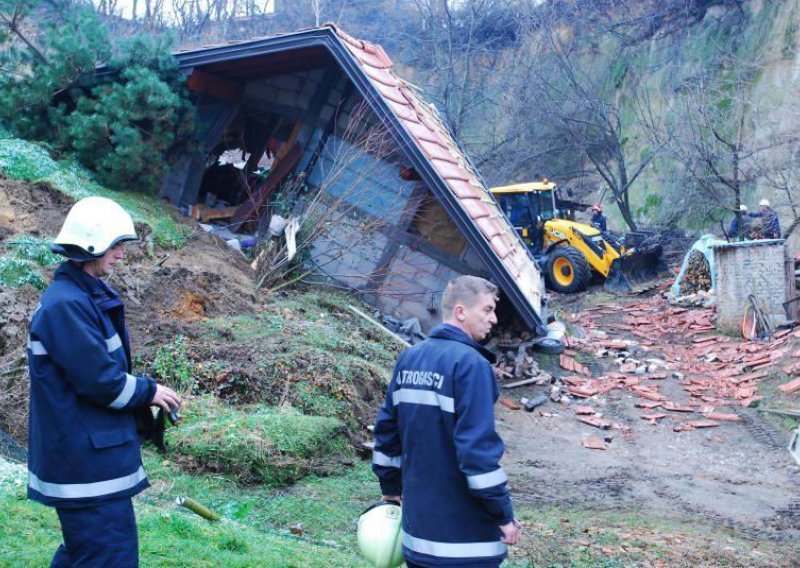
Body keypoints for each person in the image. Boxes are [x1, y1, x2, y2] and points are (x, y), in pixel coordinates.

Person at [27, 196, 181, 567]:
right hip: (84, 465)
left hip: (91, 459)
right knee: (108, 557)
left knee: (89, 554)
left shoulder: (81, 297)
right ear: (91, 245)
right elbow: (102, 381)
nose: (121, 255)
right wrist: (150, 391)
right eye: (116, 246)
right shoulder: (67, 304)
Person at [371, 275, 521, 567]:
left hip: (418, 539)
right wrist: (503, 516)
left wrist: (390, 490)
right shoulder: (472, 365)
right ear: (461, 312)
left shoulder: (410, 359)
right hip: (466, 544)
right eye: (487, 310)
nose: (493, 319)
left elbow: (387, 434)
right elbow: (477, 454)